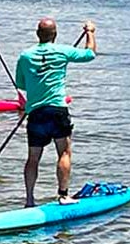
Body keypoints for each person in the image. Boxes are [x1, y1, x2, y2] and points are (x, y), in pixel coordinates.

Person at [15, 17, 97, 207]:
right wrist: (90, 32)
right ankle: (63, 195)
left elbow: (21, 84)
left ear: (37, 34)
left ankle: (29, 199)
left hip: (36, 113)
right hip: (57, 110)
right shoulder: (62, 51)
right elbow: (90, 54)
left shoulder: (25, 55)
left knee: (33, 158)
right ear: (56, 35)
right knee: (64, 152)